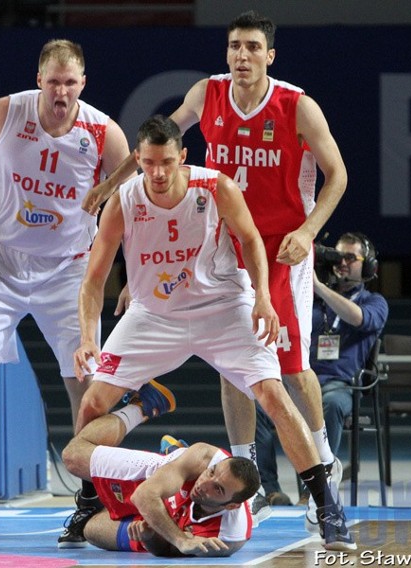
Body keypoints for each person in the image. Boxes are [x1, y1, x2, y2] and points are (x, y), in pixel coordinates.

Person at [82, 10, 348, 526]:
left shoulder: (298, 106)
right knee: (235, 371)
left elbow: (337, 175)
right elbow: (153, 149)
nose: (242, 56)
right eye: (234, 47)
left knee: (289, 369)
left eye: (252, 47)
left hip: (281, 244)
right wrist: (110, 186)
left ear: (269, 55)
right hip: (224, 243)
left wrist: (309, 231)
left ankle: (324, 466)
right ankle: (248, 473)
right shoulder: (208, 94)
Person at [0, 39, 130, 537]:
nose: (61, 92)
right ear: (39, 80)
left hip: (68, 272)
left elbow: (132, 196)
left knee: (84, 385)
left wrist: (129, 276)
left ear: (83, 83)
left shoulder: (103, 132)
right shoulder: (6, 112)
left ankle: (88, 497)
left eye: (70, 83)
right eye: (53, 82)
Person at [253, 232, 388, 517]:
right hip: (300, 382)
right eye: (337, 256)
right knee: (260, 407)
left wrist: (317, 287)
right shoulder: (309, 302)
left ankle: (311, 491)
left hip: (342, 387)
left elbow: (358, 319)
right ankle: (270, 490)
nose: (342, 263)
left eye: (350, 258)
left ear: (368, 266)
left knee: (329, 404)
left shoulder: (373, 302)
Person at [62, 411, 259, 557]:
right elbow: (143, 495)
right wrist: (180, 538)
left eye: (217, 489)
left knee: (89, 530)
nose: (204, 483)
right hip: (148, 479)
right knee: (72, 456)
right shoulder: (205, 457)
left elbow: (166, 550)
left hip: (163, 521)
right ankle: (141, 407)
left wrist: (150, 538)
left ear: (232, 505)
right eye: (211, 473)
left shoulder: (228, 535)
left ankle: (174, 453)